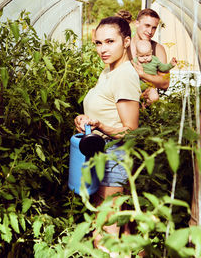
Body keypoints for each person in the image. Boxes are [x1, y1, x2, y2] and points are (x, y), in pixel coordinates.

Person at [73, 16, 141, 254]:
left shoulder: (124, 75)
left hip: (114, 155)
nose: (103, 49)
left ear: (126, 42)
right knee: (118, 221)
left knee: (105, 228)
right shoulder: (110, 71)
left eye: (110, 41)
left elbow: (130, 131)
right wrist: (84, 120)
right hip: (104, 152)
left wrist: (100, 125)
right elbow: (103, 109)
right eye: (98, 43)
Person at [130, 9, 171, 100]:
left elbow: (165, 83)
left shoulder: (158, 49)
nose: (150, 31)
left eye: (154, 27)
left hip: (149, 103)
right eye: (147, 25)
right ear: (137, 23)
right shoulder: (125, 46)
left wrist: (143, 75)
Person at [134, 39, 177, 105]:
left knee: (154, 97)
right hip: (136, 86)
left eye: (147, 55)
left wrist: (170, 65)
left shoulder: (155, 60)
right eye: (142, 56)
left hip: (150, 86)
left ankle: (145, 106)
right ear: (137, 55)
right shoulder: (135, 61)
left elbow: (163, 68)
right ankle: (138, 105)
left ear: (151, 52)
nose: (145, 58)